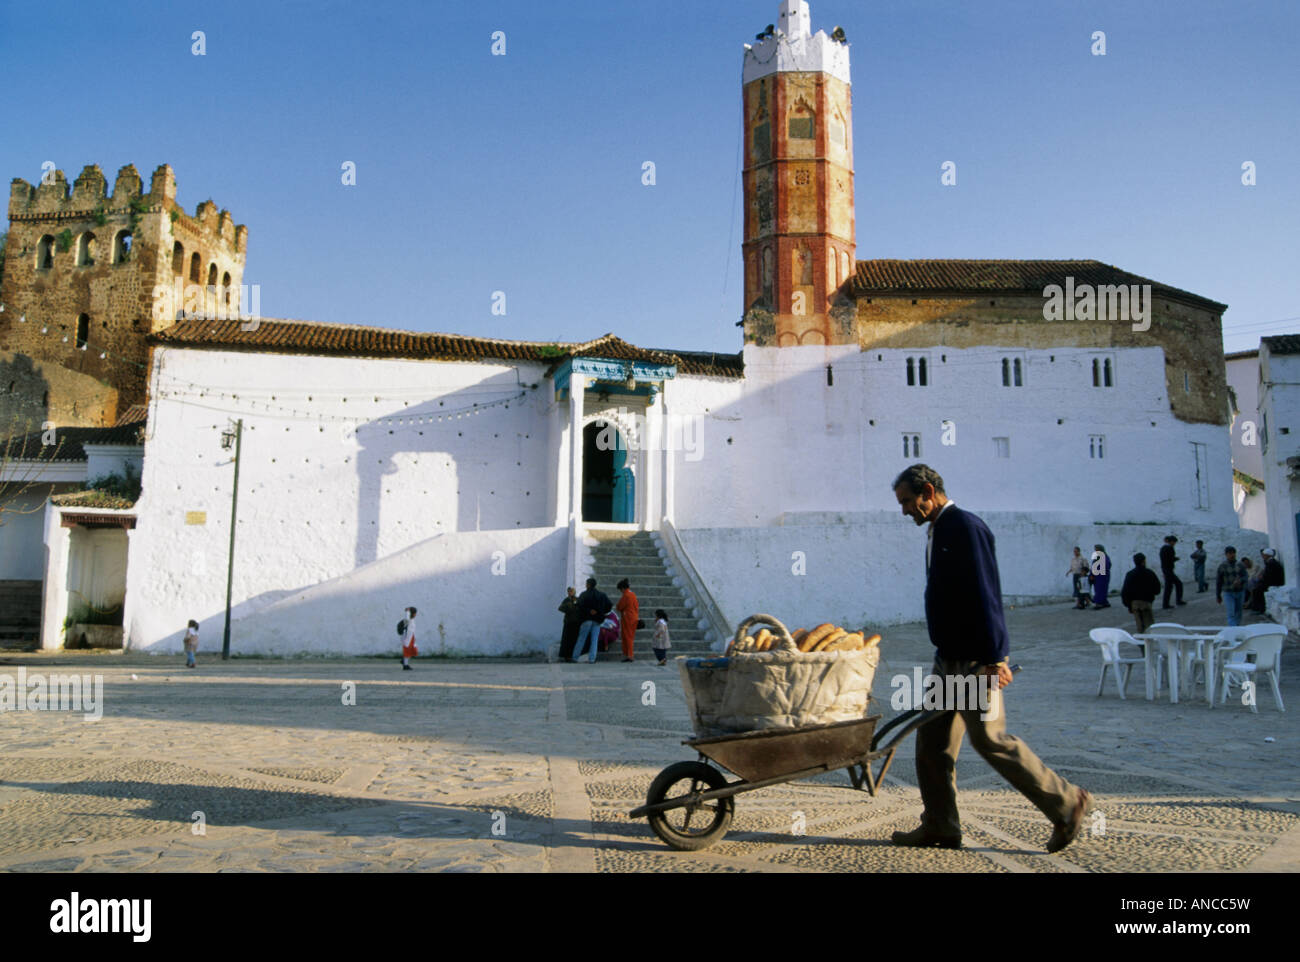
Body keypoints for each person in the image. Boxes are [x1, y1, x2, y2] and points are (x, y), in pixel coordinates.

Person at [889, 464, 1092, 853]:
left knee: (991, 740)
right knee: (932, 742)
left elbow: (987, 594)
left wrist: (996, 658)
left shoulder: (965, 527)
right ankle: (940, 825)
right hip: (947, 658)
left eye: (907, 502)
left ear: (928, 491)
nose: (904, 511)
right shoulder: (939, 529)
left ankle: (1067, 803)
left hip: (972, 659)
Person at [572, 578, 612, 664]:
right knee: (594, 640)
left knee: (581, 638)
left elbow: (578, 606)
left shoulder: (584, 595)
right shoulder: (601, 595)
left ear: (588, 584)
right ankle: (592, 659)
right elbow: (609, 605)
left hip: (586, 619)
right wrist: (600, 612)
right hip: (597, 620)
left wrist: (588, 611)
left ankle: (575, 657)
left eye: (586, 583)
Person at [1120, 554, 1161, 634]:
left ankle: (1142, 643)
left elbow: (1125, 591)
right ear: (1143, 561)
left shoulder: (1130, 574)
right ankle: (1148, 643)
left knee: (1139, 626)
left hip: (1134, 604)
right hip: (1146, 602)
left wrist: (1128, 605)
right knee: (1149, 625)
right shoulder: (1149, 573)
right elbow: (1157, 589)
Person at [1216, 547, 1249, 627]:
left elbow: (1246, 576)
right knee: (1231, 613)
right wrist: (1218, 595)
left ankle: (1236, 628)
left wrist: (1240, 580)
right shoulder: (1222, 566)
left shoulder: (1240, 565)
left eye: (1233, 553)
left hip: (1240, 591)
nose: (1232, 555)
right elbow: (1219, 581)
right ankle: (1233, 630)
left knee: (1238, 612)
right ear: (1226, 554)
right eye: (1229, 553)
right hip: (1228, 592)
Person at [615, 578, 640, 663]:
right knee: (630, 637)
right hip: (633, 618)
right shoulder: (632, 594)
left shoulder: (626, 595)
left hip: (627, 619)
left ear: (622, 588)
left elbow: (619, 606)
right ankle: (629, 654)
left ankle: (629, 655)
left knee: (627, 637)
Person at [558, 587, 583, 662]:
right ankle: (566, 656)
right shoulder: (566, 600)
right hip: (568, 623)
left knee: (574, 640)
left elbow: (580, 608)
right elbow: (560, 608)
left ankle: (573, 655)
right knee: (566, 640)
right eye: (569, 591)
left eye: (571, 591)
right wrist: (569, 605)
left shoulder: (577, 599)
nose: (570, 593)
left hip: (576, 623)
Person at [1159, 535, 1185, 608]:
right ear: (1171, 542)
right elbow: (1170, 559)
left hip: (1165, 569)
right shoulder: (1169, 548)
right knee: (1178, 584)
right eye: (1174, 542)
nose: (1174, 544)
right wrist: (1175, 559)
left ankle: (1166, 604)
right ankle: (1178, 601)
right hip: (1169, 570)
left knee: (1169, 587)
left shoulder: (1163, 548)